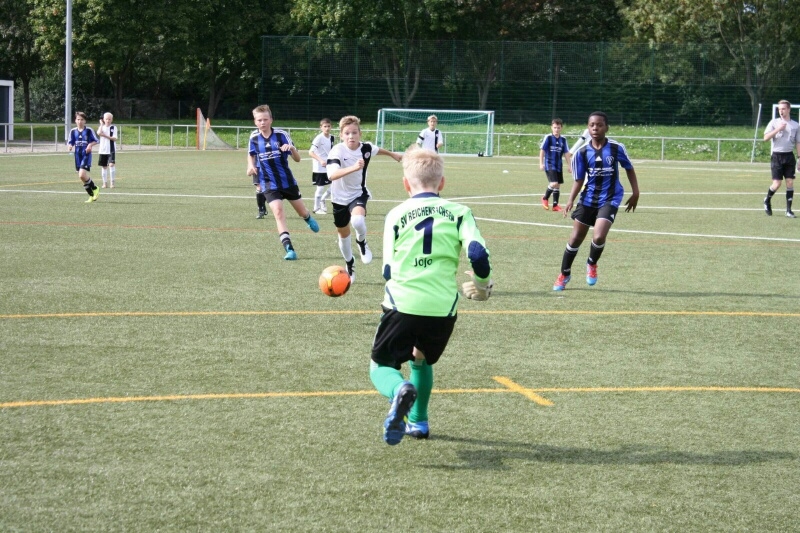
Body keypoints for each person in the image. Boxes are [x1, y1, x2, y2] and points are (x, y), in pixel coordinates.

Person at [370, 146, 493, 445]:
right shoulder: (460, 213)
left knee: (380, 366)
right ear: (442, 183)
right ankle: (419, 422)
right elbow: (477, 253)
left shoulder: (396, 214)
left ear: (406, 184)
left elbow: (387, 270)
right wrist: (482, 285)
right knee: (421, 360)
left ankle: (398, 390)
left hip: (403, 303)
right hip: (442, 308)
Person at [553, 111, 639, 291]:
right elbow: (578, 180)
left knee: (599, 236)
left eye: (599, 125)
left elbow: (629, 168)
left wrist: (636, 192)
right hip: (588, 199)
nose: (595, 128)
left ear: (606, 128)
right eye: (592, 125)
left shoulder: (616, 148)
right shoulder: (582, 153)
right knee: (575, 238)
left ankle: (591, 263)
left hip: (610, 198)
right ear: (588, 127)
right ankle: (564, 274)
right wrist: (570, 200)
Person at [326, 115, 402, 281]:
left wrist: (392, 154)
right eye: (347, 133)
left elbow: (376, 149)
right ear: (341, 135)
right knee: (343, 235)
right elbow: (331, 175)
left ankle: (361, 241)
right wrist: (354, 168)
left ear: (360, 134)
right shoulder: (337, 151)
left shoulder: (365, 148)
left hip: (358, 193)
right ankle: (350, 263)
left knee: (358, 221)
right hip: (339, 199)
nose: (351, 136)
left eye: (354, 132)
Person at [246, 104, 320, 260]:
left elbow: (298, 159)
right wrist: (251, 166)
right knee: (278, 212)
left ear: (271, 120)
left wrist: (291, 149)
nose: (262, 122)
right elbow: (251, 154)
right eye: (259, 120)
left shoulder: (281, 135)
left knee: (301, 211)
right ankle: (289, 249)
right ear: (255, 122)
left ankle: (307, 217)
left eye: (265, 119)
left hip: (287, 182)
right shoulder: (254, 138)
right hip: (268, 183)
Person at [763, 100, 799, 218]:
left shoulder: (795, 125)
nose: (781, 111)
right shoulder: (774, 122)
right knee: (777, 183)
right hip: (777, 156)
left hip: (789, 156)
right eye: (779, 109)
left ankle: (788, 210)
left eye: (783, 109)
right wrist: (778, 129)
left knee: (790, 182)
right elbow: (765, 138)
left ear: (788, 109)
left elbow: (798, 142)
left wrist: (799, 158)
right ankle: (767, 200)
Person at [539, 118, 571, 212]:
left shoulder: (563, 139)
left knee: (558, 185)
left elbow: (566, 153)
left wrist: (569, 165)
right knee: (554, 183)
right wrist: (541, 163)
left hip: (559, 165)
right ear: (551, 127)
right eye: (555, 127)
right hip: (549, 164)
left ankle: (555, 205)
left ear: (561, 128)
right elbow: (542, 150)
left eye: (558, 128)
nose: (556, 129)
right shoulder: (548, 137)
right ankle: (545, 198)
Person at [67, 111, 100, 203]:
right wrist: (70, 146)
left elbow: (96, 140)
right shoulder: (73, 131)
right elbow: (70, 142)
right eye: (78, 119)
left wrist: (90, 145)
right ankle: (91, 195)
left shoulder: (88, 130)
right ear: (75, 120)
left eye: (82, 119)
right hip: (77, 156)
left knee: (82, 174)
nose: (80, 121)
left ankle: (95, 188)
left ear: (85, 121)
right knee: (82, 177)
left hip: (86, 155)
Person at [308, 118, 334, 214]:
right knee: (320, 188)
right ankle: (316, 208)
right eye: (325, 126)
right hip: (319, 167)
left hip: (329, 166)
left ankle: (323, 199)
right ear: (321, 127)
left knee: (335, 186)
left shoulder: (332, 137)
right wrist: (321, 160)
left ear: (331, 127)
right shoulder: (319, 138)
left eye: (328, 126)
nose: (327, 128)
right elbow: (311, 152)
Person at [97, 112, 118, 188]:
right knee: (104, 166)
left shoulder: (114, 128)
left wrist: (105, 135)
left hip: (111, 149)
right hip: (103, 150)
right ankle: (105, 183)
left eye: (109, 119)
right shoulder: (102, 127)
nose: (108, 120)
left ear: (112, 119)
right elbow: (99, 133)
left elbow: (114, 138)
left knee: (111, 165)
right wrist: (101, 124)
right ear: (103, 119)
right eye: (106, 119)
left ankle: (112, 183)